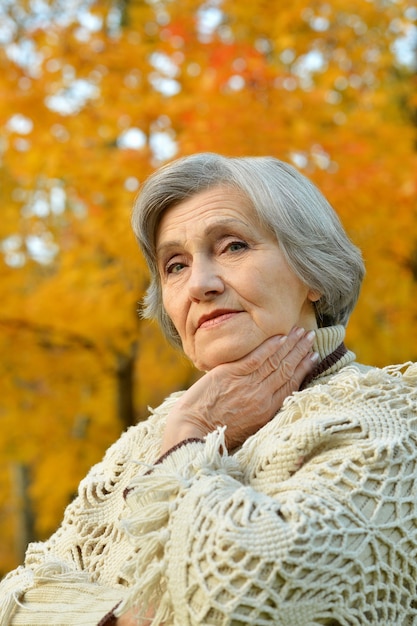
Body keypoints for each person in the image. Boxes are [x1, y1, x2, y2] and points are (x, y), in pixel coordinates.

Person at [1, 152, 417, 626]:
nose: (200, 283)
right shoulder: (138, 444)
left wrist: (190, 436)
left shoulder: (393, 419)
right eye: (174, 265)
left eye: (233, 246)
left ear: (312, 273)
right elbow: (16, 597)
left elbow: (241, 604)